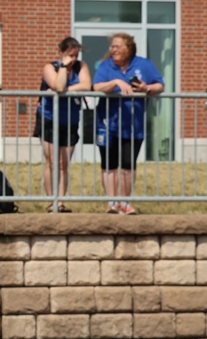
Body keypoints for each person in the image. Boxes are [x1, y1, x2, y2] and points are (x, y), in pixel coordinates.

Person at [93, 33, 164, 215]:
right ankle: (111, 203)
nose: (113, 50)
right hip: (107, 124)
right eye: (112, 47)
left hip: (133, 125)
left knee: (127, 165)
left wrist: (146, 88)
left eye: (117, 46)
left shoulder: (143, 65)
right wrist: (115, 82)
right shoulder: (106, 66)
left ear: (128, 48)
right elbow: (96, 87)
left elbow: (160, 85)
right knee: (109, 165)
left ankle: (124, 202)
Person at [34, 37, 92, 213]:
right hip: (49, 119)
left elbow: (86, 85)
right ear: (62, 52)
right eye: (70, 55)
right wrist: (63, 67)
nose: (73, 59)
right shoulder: (50, 67)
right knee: (52, 161)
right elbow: (58, 85)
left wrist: (66, 91)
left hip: (70, 120)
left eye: (76, 55)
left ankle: (60, 201)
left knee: (64, 163)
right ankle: (52, 201)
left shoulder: (81, 67)